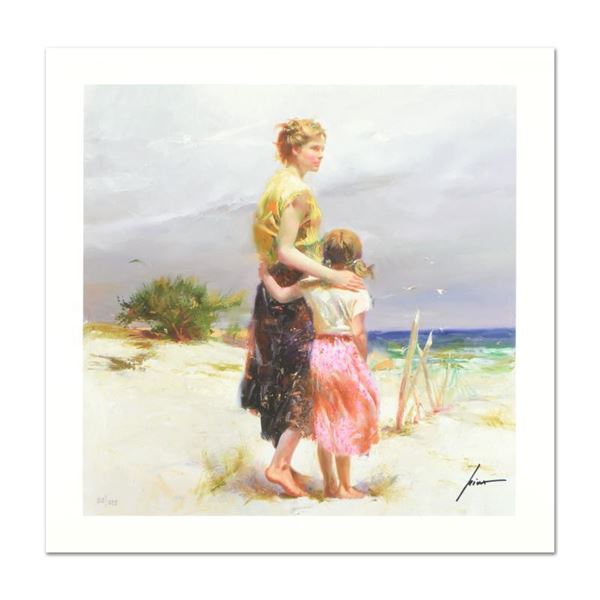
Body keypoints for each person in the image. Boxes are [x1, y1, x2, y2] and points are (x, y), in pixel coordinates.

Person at [240, 118, 364, 498]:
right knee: (303, 382)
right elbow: (285, 250)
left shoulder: (276, 184)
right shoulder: (297, 192)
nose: (321, 156)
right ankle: (279, 465)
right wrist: (332, 275)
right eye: (314, 148)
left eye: (323, 149)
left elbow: (273, 250)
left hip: (273, 290)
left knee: (282, 377)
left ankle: (285, 462)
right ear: (295, 149)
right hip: (291, 291)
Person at [259, 229, 380, 499]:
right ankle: (345, 487)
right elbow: (358, 332)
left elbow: (281, 295)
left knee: (325, 420)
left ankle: (330, 485)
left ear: (326, 254)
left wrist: (265, 275)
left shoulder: (312, 283)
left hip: (319, 352)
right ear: (354, 256)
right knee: (344, 419)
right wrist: (361, 361)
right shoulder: (356, 288)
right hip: (344, 354)